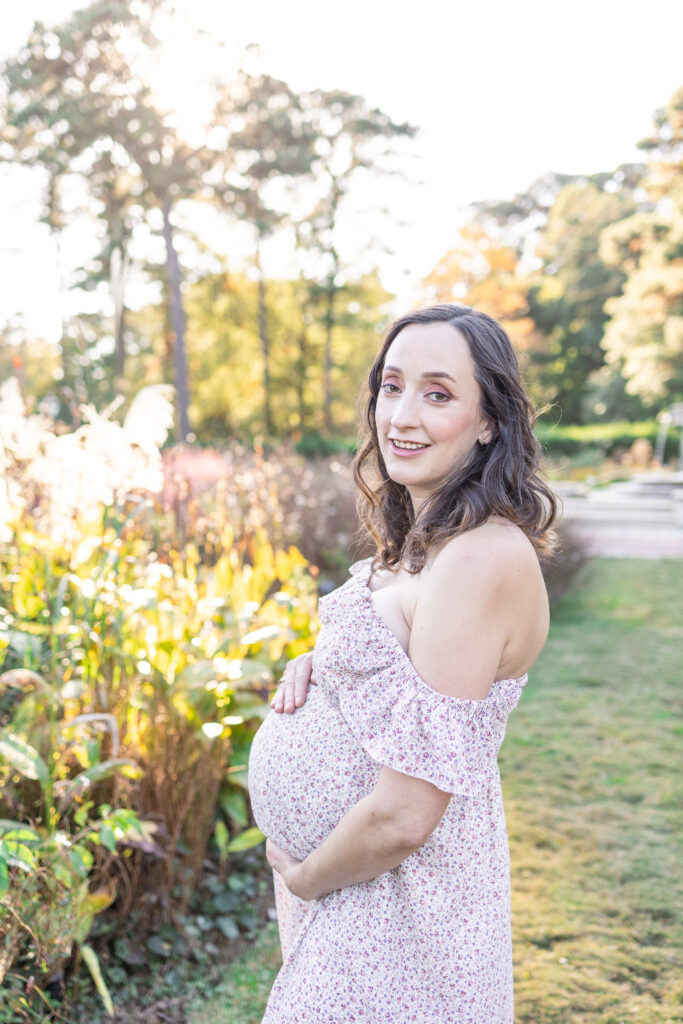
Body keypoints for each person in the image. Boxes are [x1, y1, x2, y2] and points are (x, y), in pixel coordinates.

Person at [247, 303, 556, 1023]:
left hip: (399, 906)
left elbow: (405, 816)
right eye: (391, 386)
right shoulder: (431, 541)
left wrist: (305, 878)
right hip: (366, 901)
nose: (402, 415)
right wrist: (323, 667)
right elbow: (407, 672)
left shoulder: (481, 556)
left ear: (489, 422)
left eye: (437, 393)